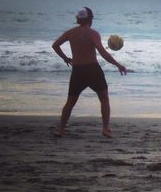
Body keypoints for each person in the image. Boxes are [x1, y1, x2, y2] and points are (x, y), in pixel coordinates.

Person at [52, 7, 126, 138]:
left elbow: (55, 45)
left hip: (78, 71)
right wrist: (118, 64)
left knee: (70, 102)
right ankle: (105, 129)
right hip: (92, 70)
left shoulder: (70, 32)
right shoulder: (93, 33)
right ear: (90, 19)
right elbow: (103, 53)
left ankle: (61, 129)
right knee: (104, 99)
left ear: (78, 19)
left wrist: (66, 58)